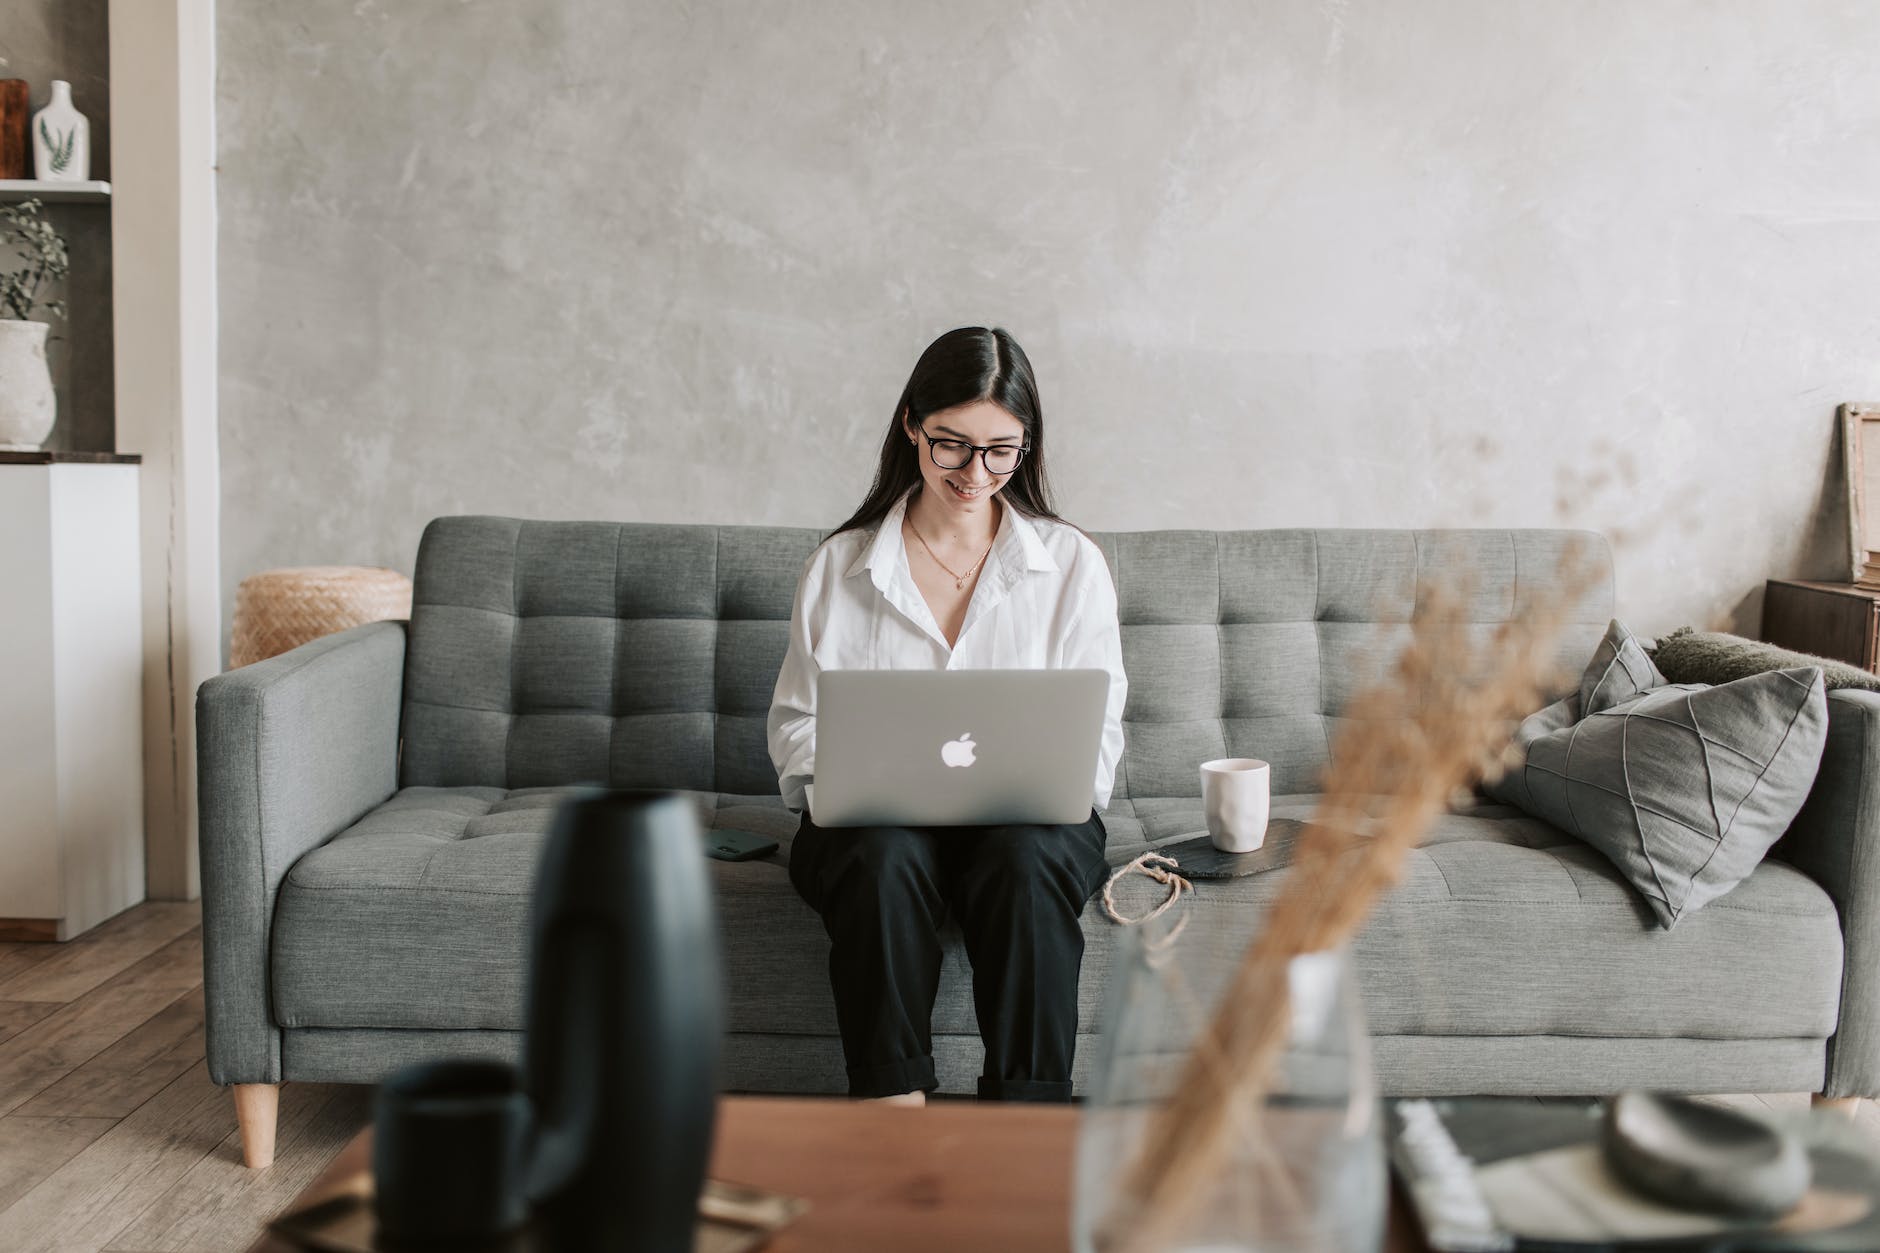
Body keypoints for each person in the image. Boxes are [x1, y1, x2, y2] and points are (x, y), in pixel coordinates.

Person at [766, 325, 1127, 1105]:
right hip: (875, 829)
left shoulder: (1071, 565)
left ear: (1026, 445)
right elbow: (796, 728)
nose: (976, 472)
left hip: (1030, 825)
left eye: (1002, 449)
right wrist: (851, 778)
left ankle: (1028, 1120)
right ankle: (893, 1109)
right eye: (952, 445)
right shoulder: (840, 566)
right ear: (910, 425)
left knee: (1026, 863)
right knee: (881, 859)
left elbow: (1094, 736)